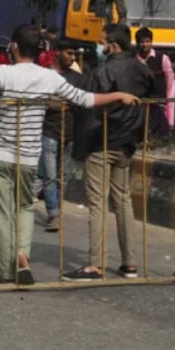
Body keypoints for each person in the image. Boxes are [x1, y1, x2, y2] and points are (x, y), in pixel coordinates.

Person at [0, 24, 139, 285]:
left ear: (13, 47)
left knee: (2, 212)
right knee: (24, 207)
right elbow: (85, 99)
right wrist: (118, 95)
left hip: (0, 153)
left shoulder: (3, 73)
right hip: (29, 156)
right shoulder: (50, 77)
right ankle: (23, 256)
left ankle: (8, 269)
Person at [62, 24, 154, 282]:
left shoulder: (102, 72)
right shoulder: (143, 70)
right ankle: (130, 263)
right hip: (127, 143)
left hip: (101, 142)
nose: (99, 47)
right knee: (123, 200)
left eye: (102, 42)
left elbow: (88, 106)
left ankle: (96, 263)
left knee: (98, 203)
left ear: (113, 45)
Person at [37, 39, 87, 232]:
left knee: (63, 176)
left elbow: (83, 100)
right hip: (49, 131)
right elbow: (40, 100)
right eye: (68, 53)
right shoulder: (46, 76)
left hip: (71, 132)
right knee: (49, 175)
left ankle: (56, 206)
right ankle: (53, 213)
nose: (72, 57)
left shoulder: (78, 78)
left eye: (74, 54)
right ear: (57, 52)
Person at [134, 27, 172, 139]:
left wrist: (166, 98)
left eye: (147, 41)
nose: (145, 45)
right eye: (142, 42)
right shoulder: (134, 59)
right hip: (140, 100)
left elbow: (169, 79)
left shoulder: (162, 58)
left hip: (158, 99)